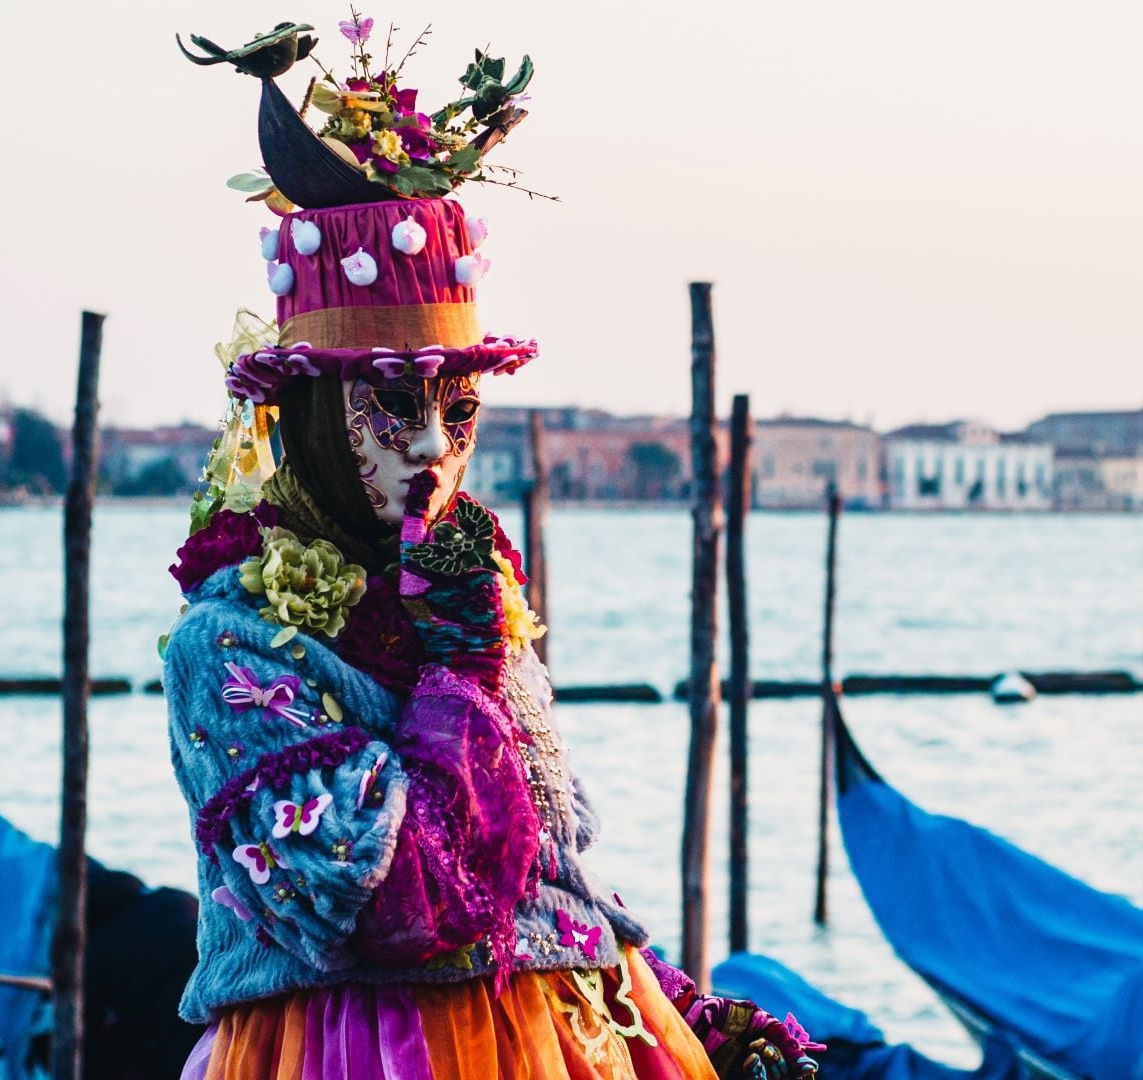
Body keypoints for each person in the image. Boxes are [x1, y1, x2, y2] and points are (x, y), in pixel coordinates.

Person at [166, 19, 820, 1080]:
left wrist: (685, 1014)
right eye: (390, 406)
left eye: (458, 411)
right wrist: (456, 671)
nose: (433, 447)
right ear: (317, 418)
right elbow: (381, 907)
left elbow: (542, 866)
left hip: (564, 1036)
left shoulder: (472, 592)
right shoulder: (235, 638)